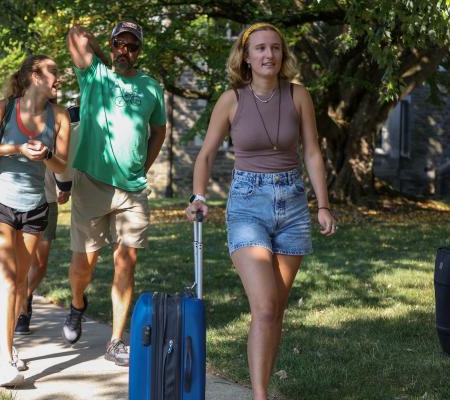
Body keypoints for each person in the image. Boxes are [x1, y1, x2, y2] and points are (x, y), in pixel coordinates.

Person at [185, 23, 337, 400]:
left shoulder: (299, 96)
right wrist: (199, 196)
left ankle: (261, 387)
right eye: (260, 49)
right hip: (247, 204)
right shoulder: (231, 99)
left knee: (275, 311)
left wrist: (324, 205)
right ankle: (260, 396)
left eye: (275, 48)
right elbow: (205, 154)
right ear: (246, 56)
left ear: (283, 55)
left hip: (292, 205)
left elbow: (312, 152)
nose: (269, 55)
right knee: (266, 307)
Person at [63, 21, 166, 367]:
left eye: (132, 46)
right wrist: (98, 43)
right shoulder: (95, 75)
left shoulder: (151, 87)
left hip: (132, 190)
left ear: (140, 51)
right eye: (120, 45)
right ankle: (78, 303)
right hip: (91, 183)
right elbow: (74, 34)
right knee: (84, 266)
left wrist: (142, 167)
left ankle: (115, 341)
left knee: (126, 261)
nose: (126, 51)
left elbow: (159, 131)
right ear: (111, 46)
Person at [0, 54, 70, 387]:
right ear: (32, 76)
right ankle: (4, 358)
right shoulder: (5, 108)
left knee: (21, 284)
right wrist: (14, 148)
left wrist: (46, 155)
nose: (60, 78)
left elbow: (62, 167)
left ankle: (9, 349)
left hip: (34, 208)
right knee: (8, 280)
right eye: (53, 72)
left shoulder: (60, 116)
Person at [14, 170, 71, 335]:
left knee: (40, 264)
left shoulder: (52, 141)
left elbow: (60, 161)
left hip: (47, 200)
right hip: (17, 200)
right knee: (22, 262)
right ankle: (22, 312)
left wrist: (66, 189)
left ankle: (25, 295)